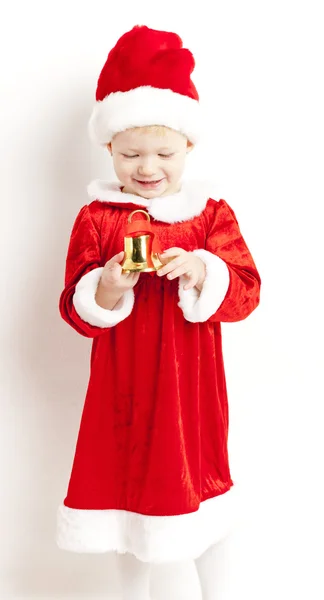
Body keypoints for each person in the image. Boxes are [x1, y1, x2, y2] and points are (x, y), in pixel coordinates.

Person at [56, 24, 261, 600]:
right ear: (109, 150)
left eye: (164, 153)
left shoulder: (208, 214)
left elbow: (246, 290)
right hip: (122, 388)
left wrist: (204, 270)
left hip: (192, 390)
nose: (147, 167)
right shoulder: (97, 218)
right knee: (125, 498)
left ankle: (219, 592)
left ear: (189, 148)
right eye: (130, 154)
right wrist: (107, 286)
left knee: (205, 486)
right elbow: (72, 307)